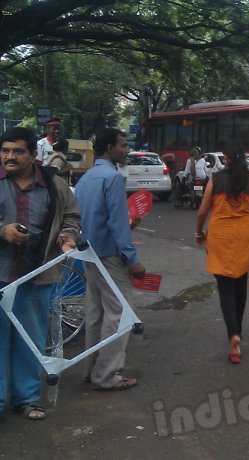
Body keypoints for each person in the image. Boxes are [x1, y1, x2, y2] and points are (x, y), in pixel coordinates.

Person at [0, 127, 80, 420]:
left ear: (34, 155)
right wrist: (2, 231)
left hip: (36, 275)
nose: (9, 157)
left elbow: (71, 216)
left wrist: (68, 236)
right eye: (5, 151)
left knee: (30, 339)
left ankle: (26, 398)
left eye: (17, 151)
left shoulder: (54, 185)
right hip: (1, 275)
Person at [75, 127, 145, 391]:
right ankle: (106, 375)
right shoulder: (112, 178)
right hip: (110, 255)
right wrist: (132, 258)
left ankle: (91, 369)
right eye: (123, 145)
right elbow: (117, 224)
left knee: (95, 312)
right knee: (120, 312)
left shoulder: (86, 178)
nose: (126, 150)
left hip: (89, 253)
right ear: (109, 148)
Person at [196, 142, 249, 363]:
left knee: (225, 286)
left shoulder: (216, 179)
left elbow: (202, 211)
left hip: (221, 234)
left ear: (225, 158)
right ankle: (239, 330)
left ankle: (233, 335)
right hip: (246, 236)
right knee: (241, 282)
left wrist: (199, 232)